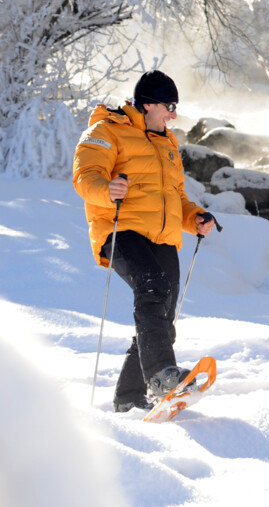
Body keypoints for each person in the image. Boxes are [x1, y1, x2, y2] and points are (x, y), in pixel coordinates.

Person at [73, 69, 217, 413]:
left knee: (162, 313)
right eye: (169, 105)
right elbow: (85, 176)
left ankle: (129, 396)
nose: (173, 114)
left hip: (163, 238)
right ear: (148, 103)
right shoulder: (106, 130)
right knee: (152, 287)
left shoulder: (167, 142)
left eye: (175, 107)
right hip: (120, 229)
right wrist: (107, 190)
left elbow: (175, 195)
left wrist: (194, 217)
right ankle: (161, 375)